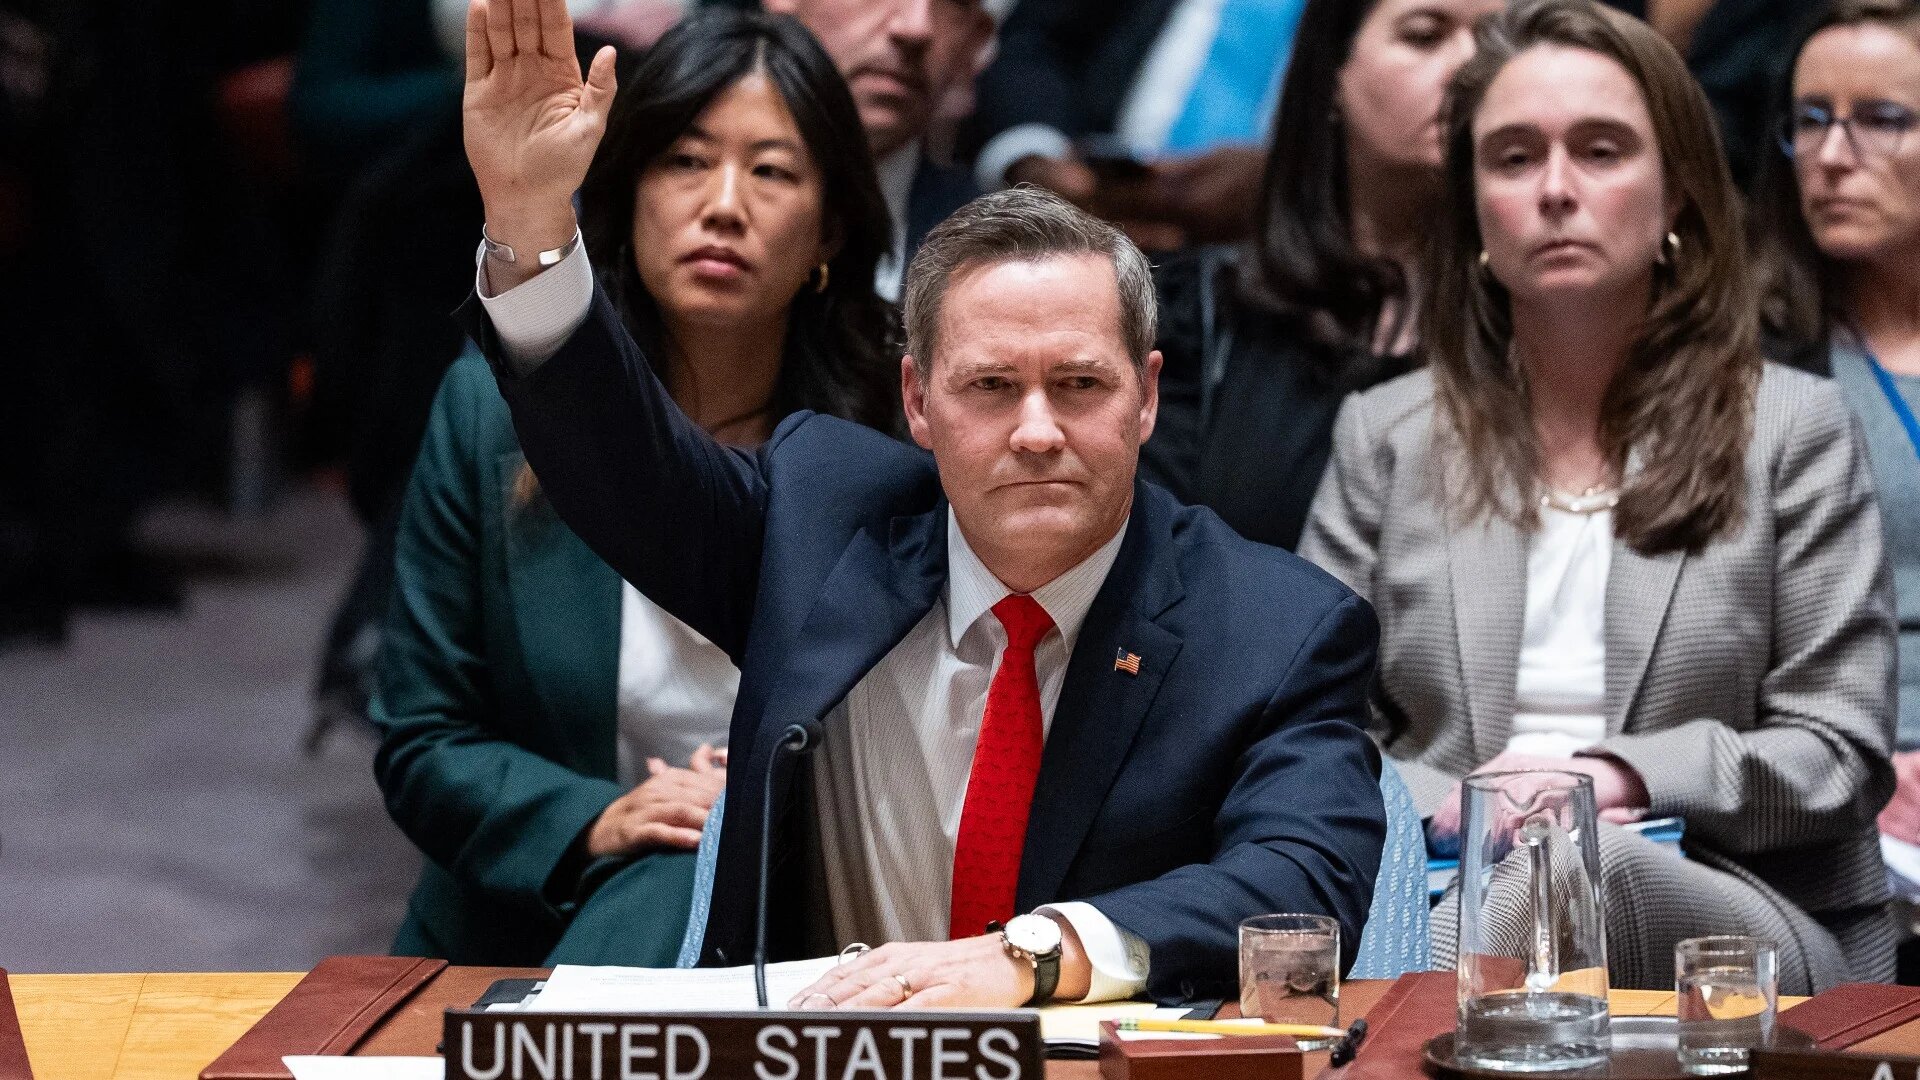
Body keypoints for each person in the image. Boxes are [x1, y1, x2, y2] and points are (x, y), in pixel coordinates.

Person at [456, 0, 1386, 1006]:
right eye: (990, 387)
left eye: (1079, 385)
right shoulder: (819, 530)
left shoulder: (1275, 629)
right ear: (917, 401)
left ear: (1148, 395)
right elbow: (620, 465)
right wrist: (531, 225)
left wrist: (1029, 957)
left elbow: (1304, 886)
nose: (1037, 431)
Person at [1301, 0, 1898, 993]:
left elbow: (1834, 752)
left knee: (1563, 865)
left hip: (1737, 906)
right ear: (1475, 211)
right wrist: (1455, 803)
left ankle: (1384, 1043)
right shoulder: (1386, 435)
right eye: (1514, 157)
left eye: (1602, 150)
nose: (1557, 190)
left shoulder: (1794, 429)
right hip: (1443, 876)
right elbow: (1311, 729)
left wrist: (1611, 777)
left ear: (1676, 200)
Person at [372, 7, 899, 967]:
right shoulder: (493, 411)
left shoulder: (899, 436)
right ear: (630, 192)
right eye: (686, 161)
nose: (724, 204)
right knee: (663, 873)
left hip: (818, 937)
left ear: (831, 225)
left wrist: (762, 803)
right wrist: (609, 817)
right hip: (524, 931)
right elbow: (422, 737)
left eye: (772, 171)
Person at [1140, 0, 1504, 551]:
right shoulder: (1201, 310)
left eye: (1497, 39)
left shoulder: (1540, 321)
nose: (1471, 65)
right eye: (1426, 36)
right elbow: (1159, 572)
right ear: (1334, 70)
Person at [1750, 0, 1920, 945]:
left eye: (1882, 118)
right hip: (1840, 791)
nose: (1832, 152)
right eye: (1810, 119)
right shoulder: (1752, 362)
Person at [964, 0, 1310, 249]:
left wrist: (1286, 185)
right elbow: (1035, 43)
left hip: (1278, 261)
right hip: (1083, 213)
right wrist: (1036, 159)